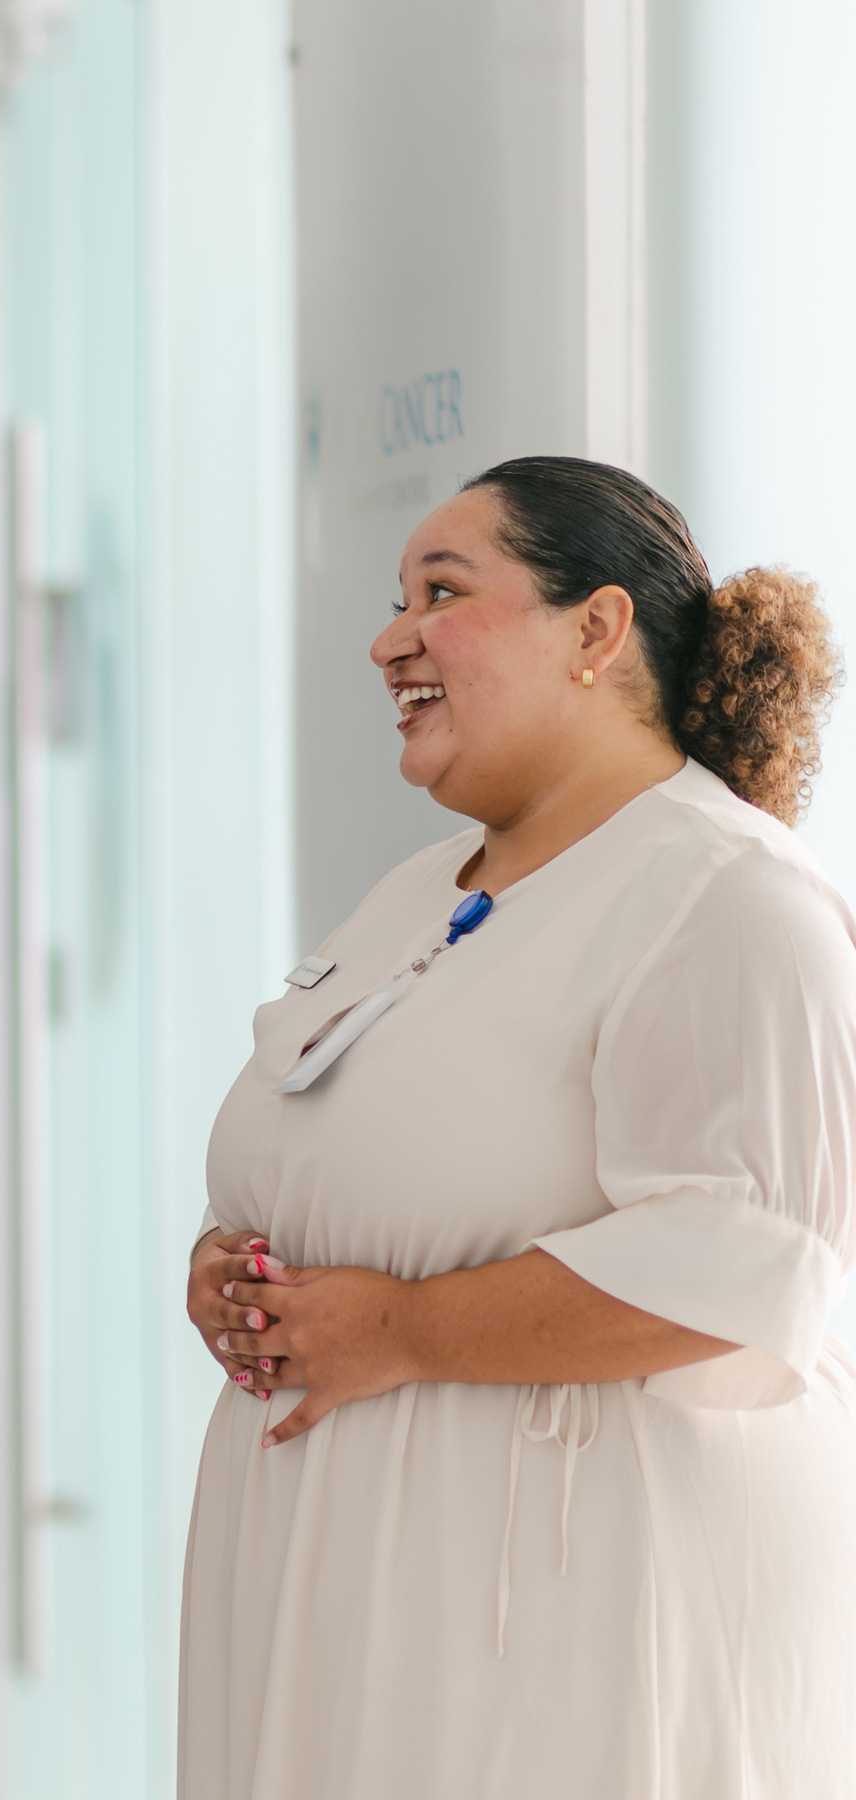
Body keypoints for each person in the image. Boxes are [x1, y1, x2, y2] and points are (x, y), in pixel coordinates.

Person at [182, 457, 856, 1799]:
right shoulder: (420, 889)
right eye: (396, 599)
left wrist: (399, 1329)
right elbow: (326, 1143)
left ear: (595, 629)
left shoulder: (730, 897)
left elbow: (738, 1268)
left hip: (554, 1619)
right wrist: (227, 1263)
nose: (391, 639)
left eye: (444, 592)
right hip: (346, 1592)